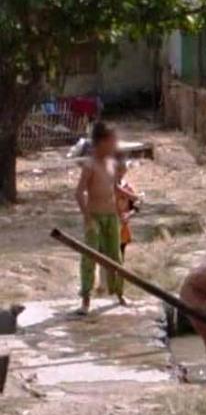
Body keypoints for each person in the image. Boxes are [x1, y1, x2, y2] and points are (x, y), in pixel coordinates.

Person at [75, 121, 125, 314]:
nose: (115, 145)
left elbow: (114, 188)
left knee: (115, 256)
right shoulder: (90, 165)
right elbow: (79, 193)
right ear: (102, 141)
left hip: (111, 216)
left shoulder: (111, 163)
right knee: (90, 257)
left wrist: (128, 199)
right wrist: (87, 218)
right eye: (112, 141)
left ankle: (119, 293)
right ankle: (86, 299)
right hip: (94, 216)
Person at [114, 156, 139, 260]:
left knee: (120, 256)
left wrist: (129, 214)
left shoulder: (127, 188)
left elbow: (136, 207)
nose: (119, 173)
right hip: (107, 227)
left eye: (121, 171)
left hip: (122, 227)